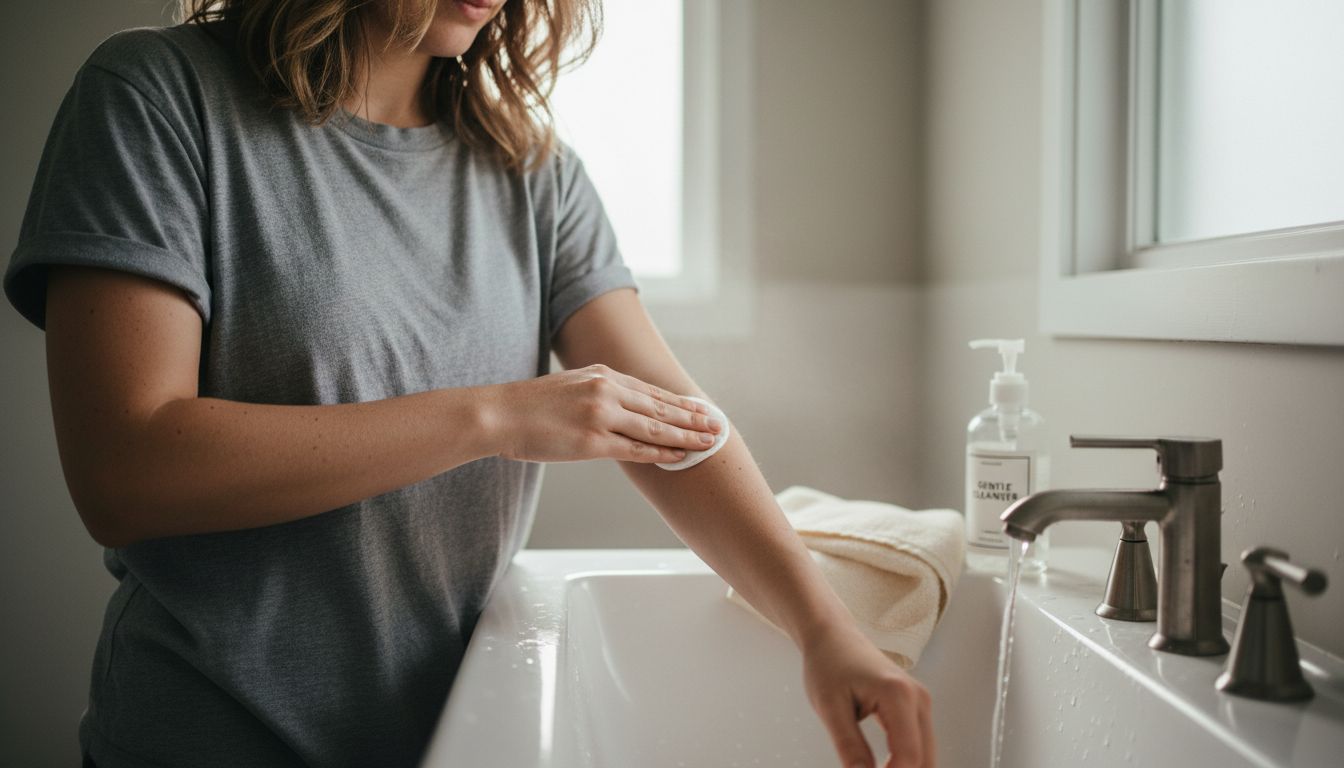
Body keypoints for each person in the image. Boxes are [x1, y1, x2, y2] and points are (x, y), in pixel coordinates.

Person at [3, 1, 935, 766]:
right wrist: (493, 415)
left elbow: (671, 423)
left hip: (456, 739)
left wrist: (821, 626)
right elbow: (124, 472)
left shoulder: (535, 172)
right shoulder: (155, 97)